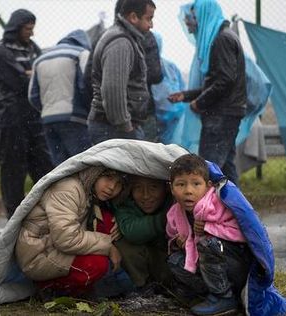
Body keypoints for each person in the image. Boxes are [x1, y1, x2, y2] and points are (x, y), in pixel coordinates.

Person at [15, 166, 134, 300]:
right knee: (97, 264)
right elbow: (66, 239)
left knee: (107, 224)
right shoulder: (68, 189)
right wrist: (108, 246)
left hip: (52, 245)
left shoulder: (89, 190)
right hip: (38, 253)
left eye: (119, 184)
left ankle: (99, 285)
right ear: (95, 173)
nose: (112, 187)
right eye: (108, 178)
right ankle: (50, 288)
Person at [168, 0, 247, 185]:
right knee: (225, 169)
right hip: (227, 112)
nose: (190, 25)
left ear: (204, 15)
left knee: (209, 170)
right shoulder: (224, 37)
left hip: (222, 114)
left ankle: (211, 212)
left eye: (193, 18)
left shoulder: (222, 40)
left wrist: (199, 103)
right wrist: (187, 96)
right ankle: (236, 211)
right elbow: (218, 81)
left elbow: (224, 81)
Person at [166, 154, 253, 316]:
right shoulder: (174, 213)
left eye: (196, 184)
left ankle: (224, 298)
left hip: (235, 266)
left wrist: (209, 227)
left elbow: (242, 234)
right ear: (172, 188)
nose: (188, 191)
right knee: (174, 260)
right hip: (210, 270)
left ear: (208, 186)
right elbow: (171, 236)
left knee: (208, 243)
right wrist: (177, 242)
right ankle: (209, 295)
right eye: (181, 184)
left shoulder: (218, 205)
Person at [0, 9, 54, 218]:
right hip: (11, 118)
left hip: (33, 116)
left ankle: (50, 213)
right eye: (28, 29)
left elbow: (41, 74)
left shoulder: (31, 48)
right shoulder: (1, 51)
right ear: (17, 28)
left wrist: (31, 73)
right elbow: (21, 81)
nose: (31, 33)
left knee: (42, 165)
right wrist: (30, 74)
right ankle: (14, 219)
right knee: (13, 169)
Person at [87, 0, 156, 144]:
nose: (151, 25)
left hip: (115, 127)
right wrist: (125, 126)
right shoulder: (120, 42)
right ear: (133, 17)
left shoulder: (125, 38)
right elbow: (113, 90)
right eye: (149, 19)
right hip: (113, 129)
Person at [28, 29, 93, 166]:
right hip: (74, 118)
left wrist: (47, 109)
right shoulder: (82, 54)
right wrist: (89, 111)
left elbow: (32, 96)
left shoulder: (40, 59)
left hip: (48, 119)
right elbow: (86, 86)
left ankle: (62, 188)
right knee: (82, 164)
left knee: (60, 167)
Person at [114, 175, 173, 290]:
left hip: (171, 262)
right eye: (138, 188)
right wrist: (165, 219)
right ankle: (142, 287)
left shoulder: (175, 201)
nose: (145, 195)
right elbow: (132, 231)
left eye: (153, 187)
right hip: (146, 258)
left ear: (167, 188)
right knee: (122, 242)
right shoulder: (125, 202)